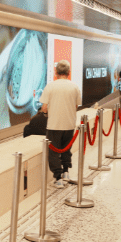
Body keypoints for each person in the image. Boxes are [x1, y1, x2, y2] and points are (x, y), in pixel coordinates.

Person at [39, 60, 81, 188]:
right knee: (66, 149)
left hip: (54, 124)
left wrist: (47, 111)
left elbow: (44, 108)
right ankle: (66, 172)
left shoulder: (50, 86)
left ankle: (58, 178)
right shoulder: (74, 86)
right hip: (69, 124)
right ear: (68, 72)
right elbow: (76, 105)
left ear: (56, 72)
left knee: (54, 152)